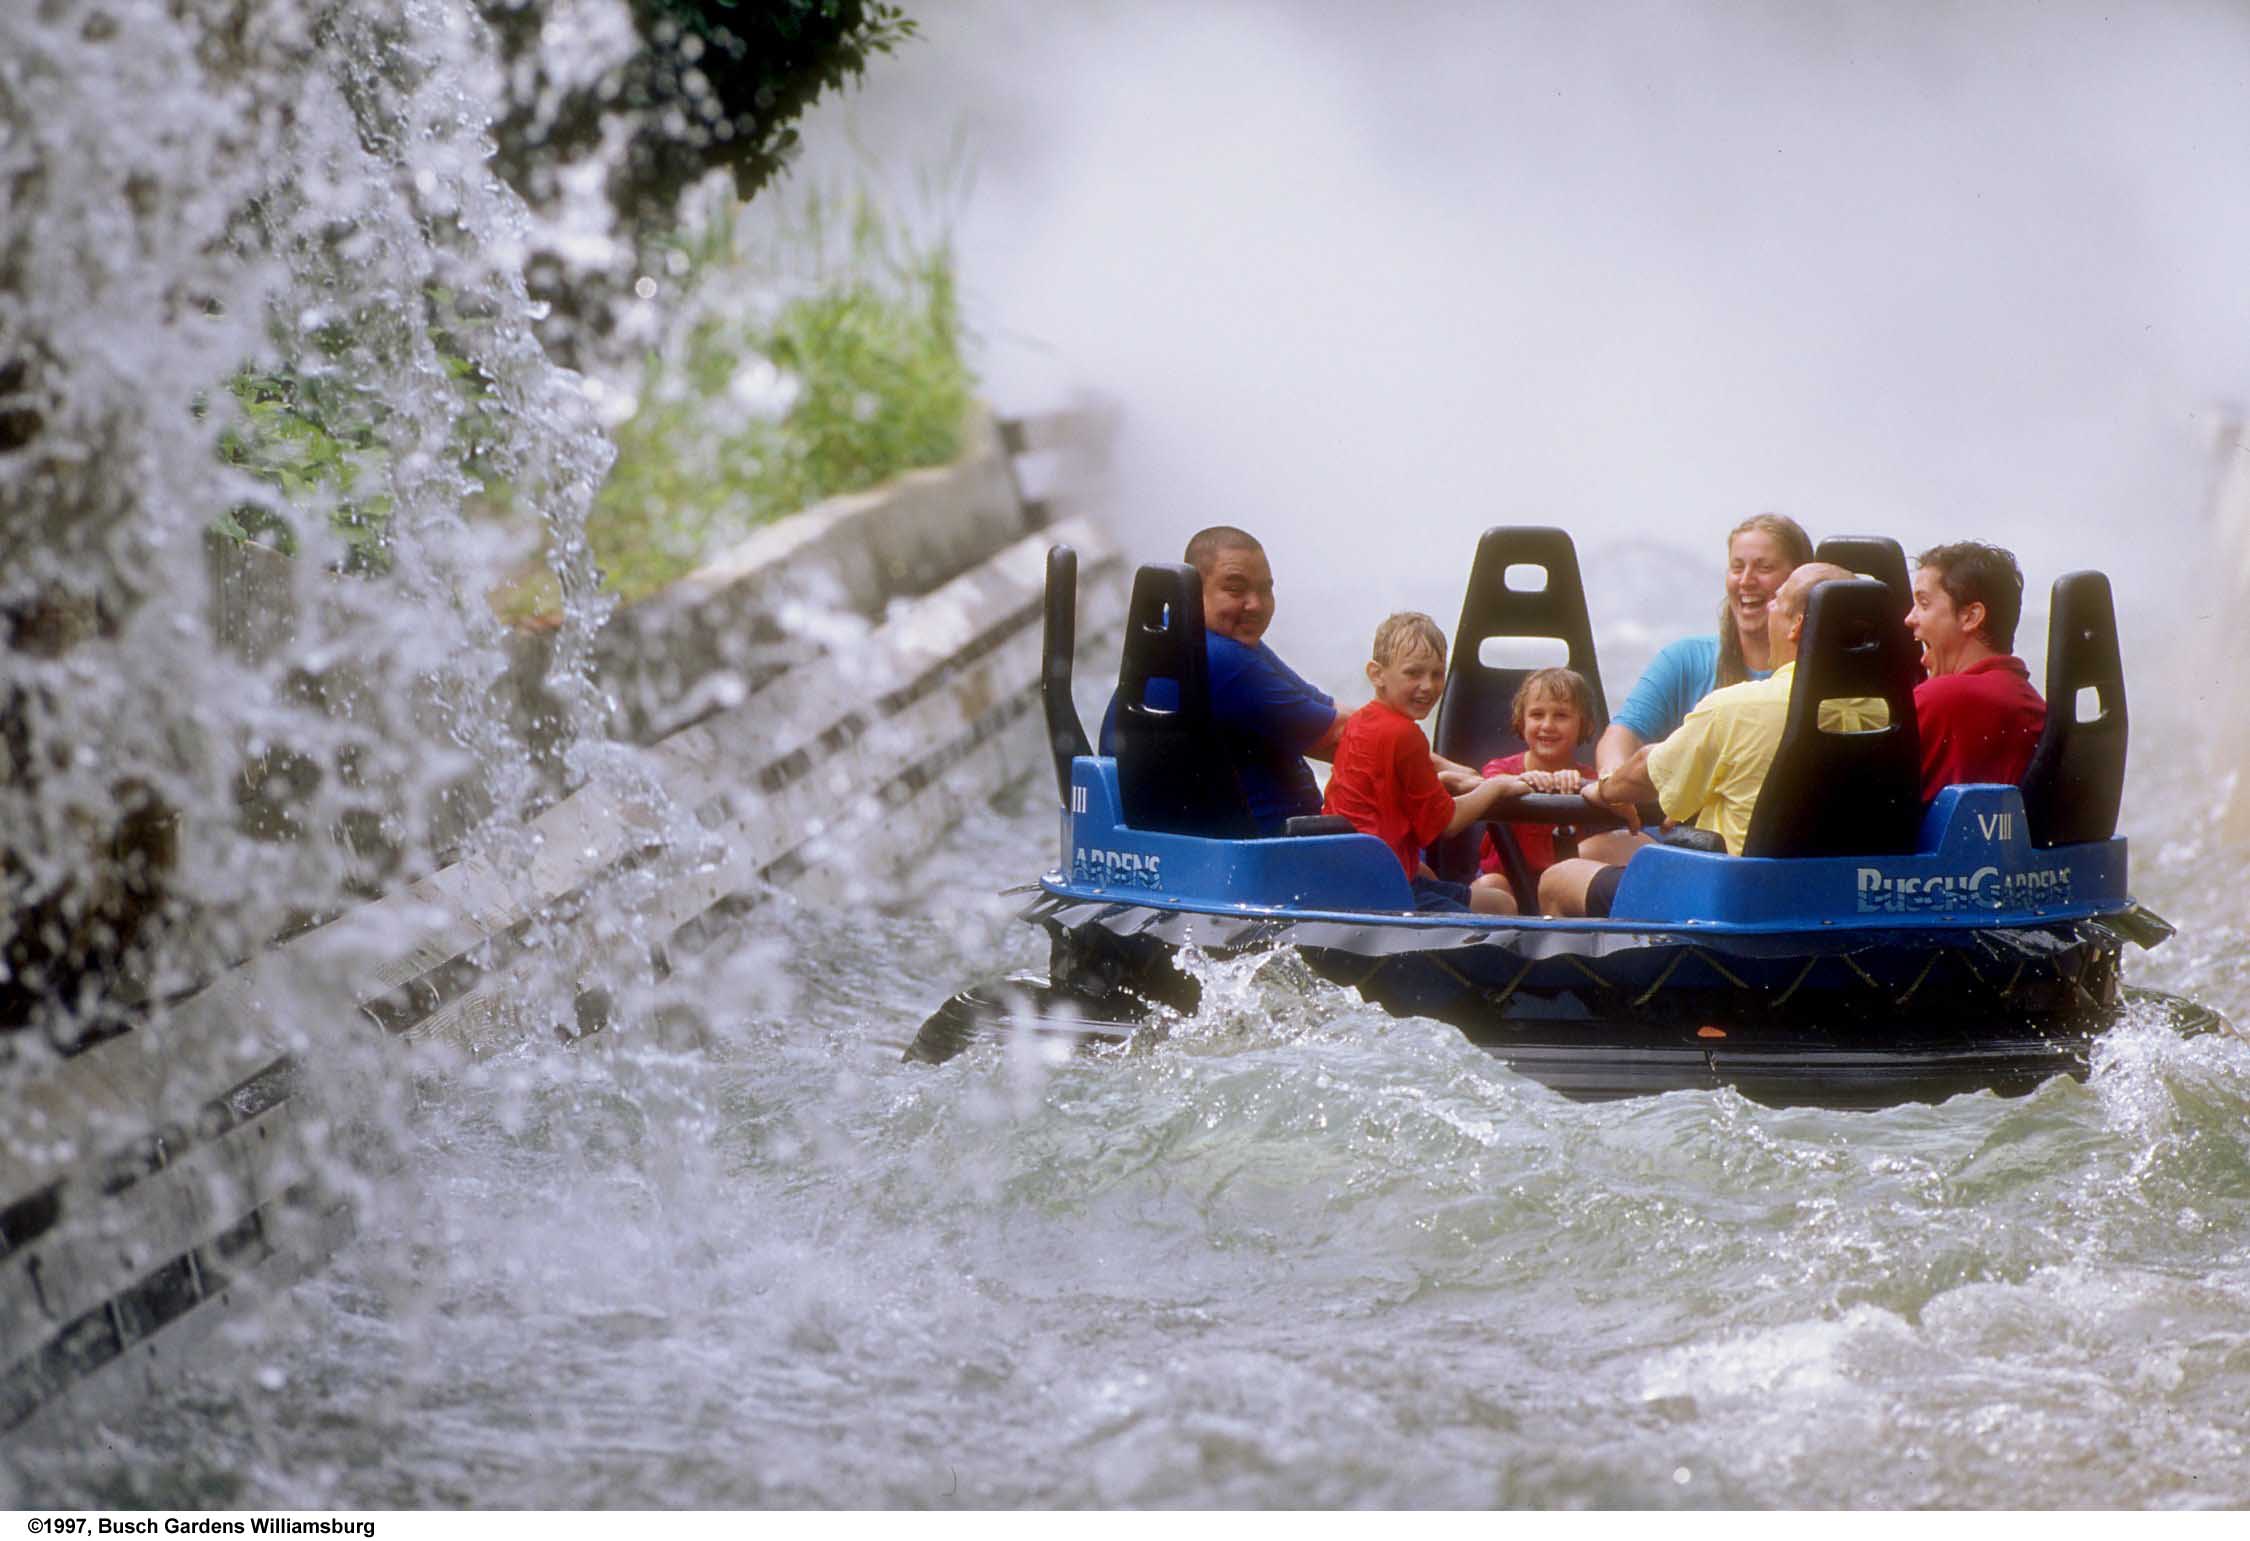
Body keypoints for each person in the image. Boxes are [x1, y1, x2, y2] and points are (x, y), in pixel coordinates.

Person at [1542, 562, 1878, 917]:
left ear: (1797, 626)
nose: (1768, 608)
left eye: (1777, 600)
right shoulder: (1885, 712)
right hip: (1839, 902)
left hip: (1735, 905)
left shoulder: (1736, 707)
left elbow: (1644, 771)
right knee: (1609, 852)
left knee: (1559, 878)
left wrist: (1605, 789)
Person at [1101, 526, 1478, 834]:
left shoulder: (1185, 643)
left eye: (1265, 589)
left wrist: (1450, 770)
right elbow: (1358, 739)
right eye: (1235, 589)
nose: (1256, 604)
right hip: (1277, 858)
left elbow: (1333, 712)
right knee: (1454, 876)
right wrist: (1470, 779)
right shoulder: (1222, 660)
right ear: (1190, 593)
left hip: (1218, 846)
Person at [1323, 612, 1530, 914]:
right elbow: (1446, 823)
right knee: (1502, 912)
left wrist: (1444, 782)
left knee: (1496, 902)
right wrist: (1497, 787)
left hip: (1351, 878)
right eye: (1413, 673)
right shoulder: (1405, 734)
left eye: (1436, 674)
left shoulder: (1359, 722)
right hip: (1387, 890)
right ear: (1376, 673)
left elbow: (1382, 793)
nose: (1428, 686)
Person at [1595, 513, 1815, 778]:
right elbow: (1622, 733)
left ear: (1798, 582)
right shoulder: (1683, 659)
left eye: (1764, 568)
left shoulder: (1819, 678)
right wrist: (1612, 781)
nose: (1746, 580)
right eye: (1737, 567)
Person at [1904, 541, 2047, 803]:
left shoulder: (1937, 700)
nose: (1909, 619)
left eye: (1923, 604)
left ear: (1971, 616)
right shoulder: (2035, 707)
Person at [1475, 667, 1611, 899]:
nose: (1547, 725)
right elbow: (1491, 782)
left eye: (1561, 715)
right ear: (1521, 721)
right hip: (1505, 882)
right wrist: (1519, 783)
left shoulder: (1590, 779)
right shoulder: (1501, 770)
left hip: (1564, 886)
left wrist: (1580, 788)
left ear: (1585, 725)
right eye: (1537, 715)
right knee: (1488, 885)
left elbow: (1612, 806)